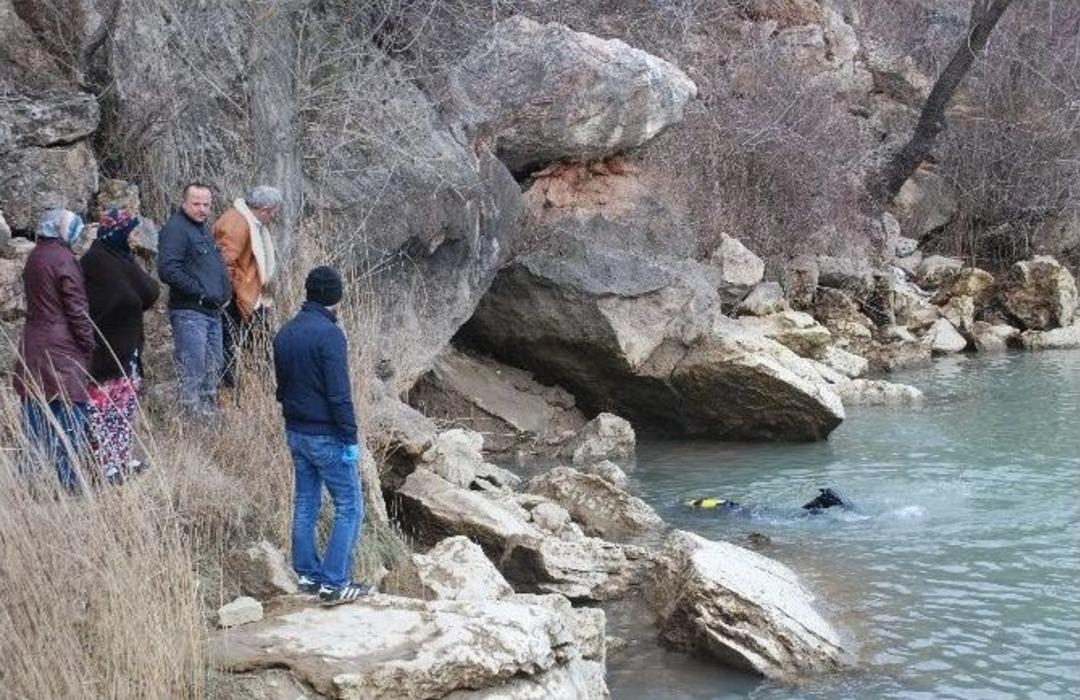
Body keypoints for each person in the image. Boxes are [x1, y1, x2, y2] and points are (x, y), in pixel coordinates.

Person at [273, 266, 368, 604]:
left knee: (305, 502)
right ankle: (334, 583)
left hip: (296, 432)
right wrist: (350, 438)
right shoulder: (330, 335)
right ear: (336, 298)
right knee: (349, 506)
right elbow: (339, 395)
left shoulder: (285, 332)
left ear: (309, 292)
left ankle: (307, 574)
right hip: (326, 434)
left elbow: (282, 389)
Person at [13, 209, 95, 492]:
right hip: (62, 349)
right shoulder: (64, 259)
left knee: (35, 417)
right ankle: (67, 484)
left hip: (33, 343)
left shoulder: (35, 256)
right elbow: (76, 308)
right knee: (71, 416)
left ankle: (31, 485)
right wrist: (88, 343)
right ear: (63, 229)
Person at [81, 208, 160, 484]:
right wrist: (134, 296)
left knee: (124, 405)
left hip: (127, 349)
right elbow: (123, 298)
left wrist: (134, 279)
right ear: (117, 231)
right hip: (106, 352)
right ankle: (104, 465)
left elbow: (150, 291)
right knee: (103, 407)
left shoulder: (122, 256)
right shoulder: (95, 260)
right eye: (130, 230)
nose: (134, 236)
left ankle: (121, 457)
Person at [156, 182, 230, 417]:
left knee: (213, 366)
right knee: (193, 368)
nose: (202, 209)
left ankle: (208, 418)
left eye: (206, 204)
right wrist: (201, 293)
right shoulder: (176, 229)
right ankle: (191, 420)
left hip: (212, 311)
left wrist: (224, 294)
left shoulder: (202, 229)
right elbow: (168, 270)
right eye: (196, 203)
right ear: (184, 203)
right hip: (190, 312)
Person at [213, 185, 281, 388]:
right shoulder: (236, 222)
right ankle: (233, 391)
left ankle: (258, 390)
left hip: (249, 295)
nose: (273, 216)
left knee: (260, 345)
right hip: (237, 298)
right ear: (265, 209)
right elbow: (224, 263)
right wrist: (238, 288)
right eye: (274, 212)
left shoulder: (247, 220)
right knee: (233, 346)